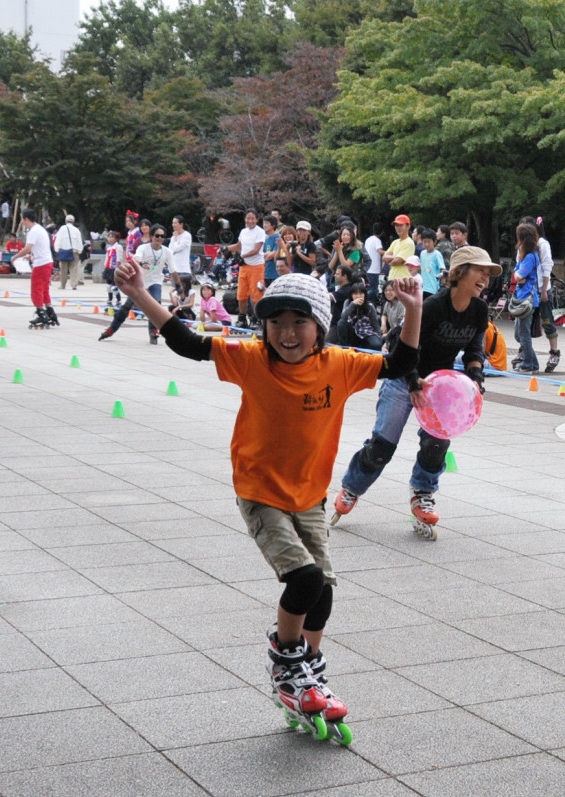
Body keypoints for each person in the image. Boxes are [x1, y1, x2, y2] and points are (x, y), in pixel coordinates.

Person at [111, 261, 423, 741]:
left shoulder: (340, 364)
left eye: (299, 322)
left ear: (320, 327)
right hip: (260, 492)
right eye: (276, 322)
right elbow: (188, 343)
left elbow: (398, 365)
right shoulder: (253, 359)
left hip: (310, 497)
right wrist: (138, 294)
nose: (287, 333)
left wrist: (413, 311)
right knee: (305, 578)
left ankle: (309, 672)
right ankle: (286, 666)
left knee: (323, 591)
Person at [332, 246, 494, 536]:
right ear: (460, 272)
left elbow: (474, 349)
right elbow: (405, 346)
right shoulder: (433, 306)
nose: (485, 277)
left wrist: (475, 379)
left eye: (488, 273)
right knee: (382, 447)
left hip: (440, 385)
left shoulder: (479, 310)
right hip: (402, 377)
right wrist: (413, 382)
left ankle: (422, 494)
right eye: (479, 270)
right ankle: (351, 488)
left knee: (436, 445)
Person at [100, 223, 173, 343]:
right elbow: (135, 256)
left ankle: (153, 331)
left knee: (156, 304)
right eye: (157, 236)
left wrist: (178, 284)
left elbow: (172, 268)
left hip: (155, 281)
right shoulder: (140, 242)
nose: (159, 238)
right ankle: (111, 329)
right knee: (127, 306)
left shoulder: (165, 250)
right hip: (140, 281)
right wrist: (141, 262)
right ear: (152, 236)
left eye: (162, 236)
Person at [13, 208, 58, 329]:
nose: (21, 222)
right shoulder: (40, 229)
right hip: (47, 262)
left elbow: (27, 248)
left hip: (41, 264)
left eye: (22, 219)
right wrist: (31, 256)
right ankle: (50, 311)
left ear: (26, 219)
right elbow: (40, 248)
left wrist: (15, 257)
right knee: (44, 289)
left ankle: (41, 313)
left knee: (36, 290)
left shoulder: (33, 231)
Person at [229, 209, 267, 328]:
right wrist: (226, 249)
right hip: (244, 266)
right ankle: (242, 318)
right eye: (248, 218)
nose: (250, 221)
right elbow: (238, 246)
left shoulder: (260, 232)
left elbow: (256, 250)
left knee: (256, 294)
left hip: (256, 266)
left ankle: (256, 318)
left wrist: (242, 256)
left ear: (257, 219)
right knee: (241, 294)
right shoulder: (243, 231)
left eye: (252, 218)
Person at [512, 222, 541, 373]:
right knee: (519, 334)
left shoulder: (530, 256)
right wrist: (518, 275)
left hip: (527, 300)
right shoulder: (525, 255)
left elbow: (519, 275)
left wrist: (519, 276)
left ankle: (528, 364)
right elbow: (516, 272)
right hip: (521, 298)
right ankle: (532, 363)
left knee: (523, 335)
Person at [337, 283, 383, 350]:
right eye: (355, 294)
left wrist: (379, 339)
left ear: (364, 294)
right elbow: (343, 316)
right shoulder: (347, 302)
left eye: (361, 293)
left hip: (366, 332)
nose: (358, 296)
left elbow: (375, 324)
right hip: (352, 332)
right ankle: (344, 349)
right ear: (351, 295)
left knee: (376, 344)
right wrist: (352, 304)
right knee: (341, 323)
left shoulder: (370, 306)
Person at [54, 214, 84, 290]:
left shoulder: (62, 228)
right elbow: (79, 241)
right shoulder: (76, 230)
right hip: (74, 252)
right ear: (73, 221)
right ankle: (74, 285)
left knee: (63, 269)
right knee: (74, 269)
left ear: (66, 221)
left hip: (64, 251)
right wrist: (79, 250)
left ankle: (63, 285)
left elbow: (58, 239)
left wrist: (57, 249)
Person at [383, 214, 415, 281]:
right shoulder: (395, 242)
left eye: (401, 225)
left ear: (408, 226)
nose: (398, 228)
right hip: (392, 279)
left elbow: (397, 261)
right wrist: (396, 257)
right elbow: (384, 258)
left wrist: (392, 260)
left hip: (403, 280)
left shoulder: (409, 242)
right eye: (396, 225)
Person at [417, 228, 445, 298]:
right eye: (424, 242)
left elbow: (443, 270)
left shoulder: (437, 254)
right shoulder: (422, 253)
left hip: (433, 288)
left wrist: (441, 283)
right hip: (423, 287)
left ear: (434, 242)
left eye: (429, 242)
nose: (426, 244)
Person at [170, 215, 193, 291]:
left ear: (181, 224)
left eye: (175, 223)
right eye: (173, 223)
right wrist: (175, 239)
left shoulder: (187, 236)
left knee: (184, 291)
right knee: (174, 292)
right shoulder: (173, 237)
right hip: (174, 269)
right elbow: (170, 251)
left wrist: (175, 239)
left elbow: (177, 248)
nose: (173, 225)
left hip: (183, 269)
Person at [102, 230, 123, 310]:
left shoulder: (118, 247)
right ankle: (110, 301)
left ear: (116, 238)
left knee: (114, 287)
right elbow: (107, 258)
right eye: (109, 237)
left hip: (114, 269)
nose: (110, 239)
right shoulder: (109, 248)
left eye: (112, 237)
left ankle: (119, 301)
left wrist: (118, 267)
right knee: (108, 286)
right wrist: (105, 267)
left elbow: (119, 258)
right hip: (108, 268)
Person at [363, 223, 384, 303]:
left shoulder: (368, 239)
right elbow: (380, 251)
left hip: (367, 268)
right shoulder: (377, 240)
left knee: (369, 288)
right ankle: (365, 300)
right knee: (373, 290)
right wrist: (390, 253)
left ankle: (370, 305)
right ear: (381, 232)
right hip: (374, 269)